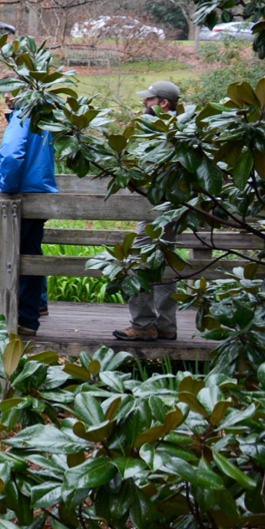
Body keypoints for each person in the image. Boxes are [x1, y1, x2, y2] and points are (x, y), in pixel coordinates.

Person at [0, 88, 58, 336]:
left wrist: (6, 190)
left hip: (18, 197)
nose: (6, 97)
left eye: (11, 92)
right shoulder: (46, 116)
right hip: (39, 194)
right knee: (29, 257)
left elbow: (12, 154)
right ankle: (27, 319)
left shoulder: (22, 115)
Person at [115, 81, 184, 341]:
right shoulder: (184, 129)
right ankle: (166, 325)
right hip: (174, 209)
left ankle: (144, 325)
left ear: (163, 103)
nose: (145, 103)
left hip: (157, 209)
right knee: (165, 262)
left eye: (149, 100)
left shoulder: (162, 133)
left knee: (139, 261)